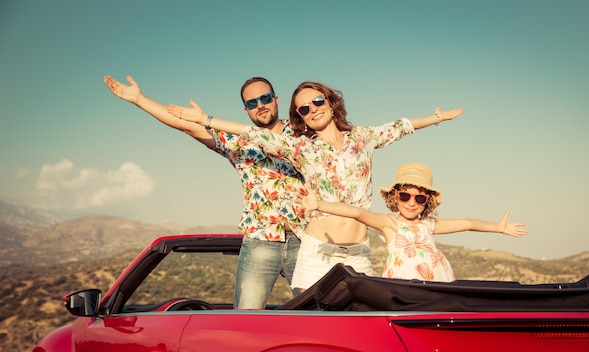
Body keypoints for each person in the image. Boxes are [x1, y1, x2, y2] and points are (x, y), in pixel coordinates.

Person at [168, 81, 464, 290]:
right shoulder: (301, 148)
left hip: (358, 252)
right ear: (300, 117)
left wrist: (437, 118)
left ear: (331, 103)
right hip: (316, 252)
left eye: (317, 102)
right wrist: (207, 119)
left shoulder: (363, 138)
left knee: (358, 327)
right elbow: (253, 134)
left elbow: (400, 127)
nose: (312, 109)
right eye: (304, 109)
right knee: (314, 325)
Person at [103, 75, 306, 308]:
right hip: (260, 241)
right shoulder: (238, 141)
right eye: (252, 103)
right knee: (246, 320)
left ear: (276, 99)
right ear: (246, 110)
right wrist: (139, 99)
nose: (260, 106)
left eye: (265, 98)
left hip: (306, 241)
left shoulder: (303, 134)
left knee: (321, 315)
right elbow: (186, 125)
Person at [295, 163, 528, 281]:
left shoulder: (430, 225)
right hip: (403, 288)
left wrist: (498, 228)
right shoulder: (389, 224)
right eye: (405, 195)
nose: (411, 202)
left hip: (438, 284)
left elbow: (468, 223)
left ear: (427, 202)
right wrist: (320, 205)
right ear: (396, 197)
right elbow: (355, 212)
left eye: (419, 197)